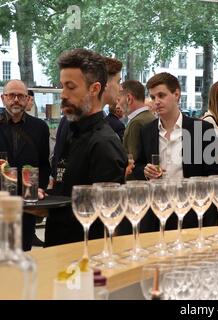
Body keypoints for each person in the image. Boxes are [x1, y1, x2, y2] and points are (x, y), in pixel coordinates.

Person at [45, 49, 127, 247]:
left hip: (83, 256)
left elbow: (106, 215)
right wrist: (47, 200)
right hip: (58, 247)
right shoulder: (72, 130)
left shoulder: (104, 143)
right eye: (63, 86)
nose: (63, 94)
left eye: (71, 87)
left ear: (94, 88)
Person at [133, 72, 218, 231]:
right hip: (156, 210)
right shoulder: (147, 131)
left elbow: (214, 173)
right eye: (153, 97)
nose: (156, 102)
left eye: (161, 95)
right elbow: (138, 166)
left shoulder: (201, 129)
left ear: (176, 94)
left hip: (192, 211)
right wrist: (145, 171)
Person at [0, 80, 50, 251]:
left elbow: (44, 164)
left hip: (27, 203)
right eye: (11, 95)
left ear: (27, 99)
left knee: (23, 253)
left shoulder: (40, 127)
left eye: (20, 96)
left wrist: (40, 189)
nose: (15, 99)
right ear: (3, 98)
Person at [121, 80, 156, 162]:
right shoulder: (151, 117)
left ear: (129, 98)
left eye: (118, 100)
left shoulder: (136, 123)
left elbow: (133, 160)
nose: (117, 105)